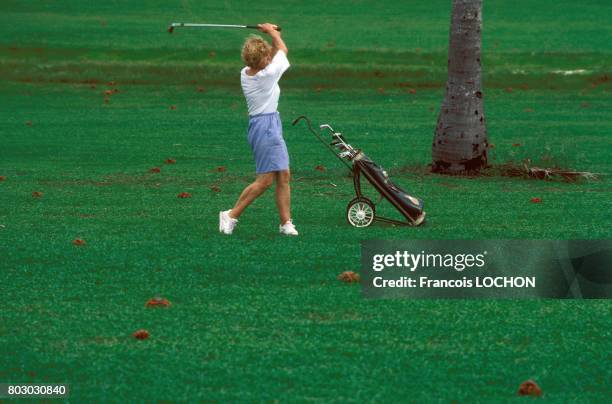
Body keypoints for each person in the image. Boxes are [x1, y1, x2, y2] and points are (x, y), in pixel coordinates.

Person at [219, 23, 298, 236]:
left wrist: (270, 36)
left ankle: (286, 223)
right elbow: (283, 50)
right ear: (262, 61)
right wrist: (272, 32)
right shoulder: (267, 75)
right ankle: (231, 215)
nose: (269, 59)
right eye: (266, 57)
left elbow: (274, 54)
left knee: (283, 174)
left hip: (267, 124)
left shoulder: (246, 72)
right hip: (265, 127)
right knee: (265, 181)